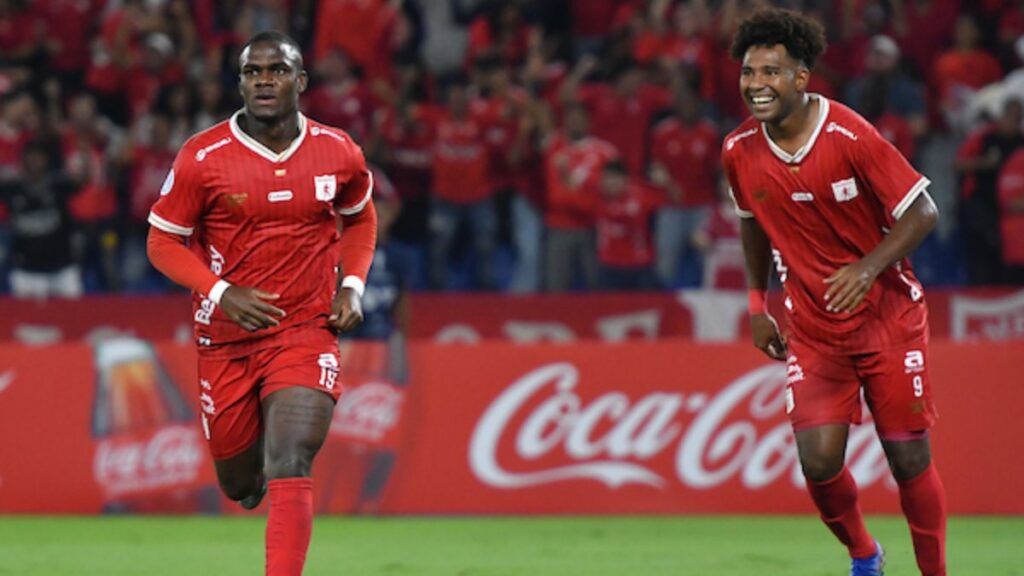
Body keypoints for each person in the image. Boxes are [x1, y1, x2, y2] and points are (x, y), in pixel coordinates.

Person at [723, 9, 946, 576]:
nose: (757, 84)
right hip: (815, 329)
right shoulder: (738, 150)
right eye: (749, 73)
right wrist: (756, 304)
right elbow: (751, 218)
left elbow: (923, 211)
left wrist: (868, 268)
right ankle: (865, 554)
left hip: (887, 317)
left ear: (802, 78)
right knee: (818, 462)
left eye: (771, 72)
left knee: (907, 456)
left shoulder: (851, 135)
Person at [146, 31, 377, 576]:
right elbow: (161, 241)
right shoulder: (203, 157)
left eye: (277, 70)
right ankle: (247, 482)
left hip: (305, 329)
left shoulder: (338, 150)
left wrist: (353, 285)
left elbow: (360, 217)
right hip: (225, 338)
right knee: (241, 483)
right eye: (253, 72)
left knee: (291, 458)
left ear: (300, 81)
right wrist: (222, 293)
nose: (264, 80)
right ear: (241, 83)